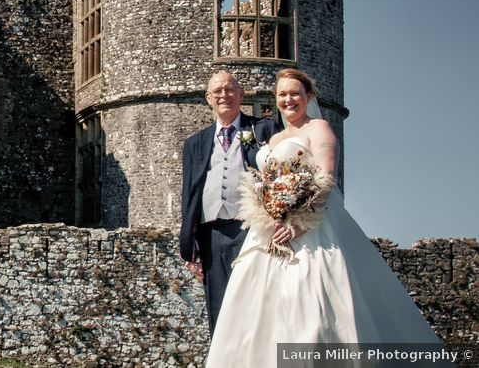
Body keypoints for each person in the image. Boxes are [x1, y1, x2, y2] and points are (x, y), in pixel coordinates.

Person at [205, 68, 442, 366]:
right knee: (255, 312)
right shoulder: (275, 138)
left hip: (312, 230)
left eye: (295, 94)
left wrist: (300, 224)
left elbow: (326, 179)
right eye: (282, 94)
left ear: (309, 96)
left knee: (313, 312)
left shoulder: (319, 128)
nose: (288, 100)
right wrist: (268, 211)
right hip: (270, 232)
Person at [179, 71, 278, 336]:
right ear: (208, 98)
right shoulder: (195, 143)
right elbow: (189, 195)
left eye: (230, 89)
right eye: (218, 91)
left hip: (252, 230)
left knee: (256, 303)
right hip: (211, 235)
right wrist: (190, 247)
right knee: (220, 308)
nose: (224, 95)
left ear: (241, 95)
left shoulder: (263, 130)